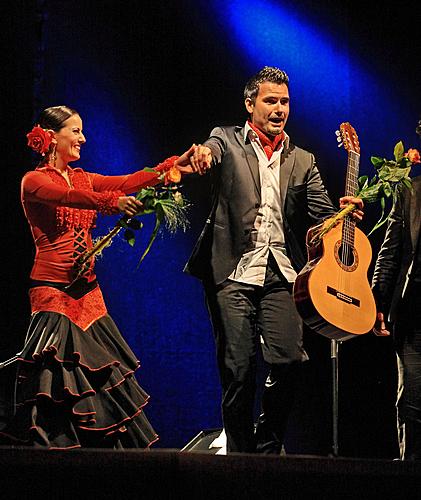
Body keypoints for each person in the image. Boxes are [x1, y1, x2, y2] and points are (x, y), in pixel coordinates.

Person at [184, 66, 364, 454]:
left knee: (289, 362)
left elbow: (322, 217)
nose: (279, 108)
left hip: (281, 273)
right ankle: (240, 454)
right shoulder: (226, 139)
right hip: (232, 270)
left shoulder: (303, 160)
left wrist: (344, 213)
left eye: (284, 101)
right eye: (271, 100)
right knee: (239, 370)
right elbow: (210, 151)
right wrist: (201, 155)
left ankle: (267, 447)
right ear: (250, 104)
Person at [0, 105, 194, 449]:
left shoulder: (82, 176)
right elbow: (71, 197)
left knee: (102, 378)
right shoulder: (33, 181)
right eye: (75, 131)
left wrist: (167, 169)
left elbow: (126, 181)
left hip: (89, 295)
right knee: (55, 385)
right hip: (53, 293)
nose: (82, 138)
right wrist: (113, 203)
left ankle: (103, 459)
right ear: (50, 137)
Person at [372, 144, 421, 460]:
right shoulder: (410, 192)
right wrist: (375, 302)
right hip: (414, 313)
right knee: (413, 403)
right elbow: (389, 252)